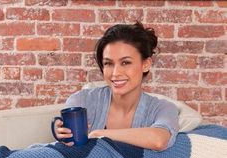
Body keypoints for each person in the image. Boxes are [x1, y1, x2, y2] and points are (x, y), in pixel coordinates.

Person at [54, 21, 179, 151]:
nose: (115, 73)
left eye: (125, 62)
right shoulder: (82, 102)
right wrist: (63, 136)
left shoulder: (163, 108)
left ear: (145, 64)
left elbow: (159, 140)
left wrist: (99, 134)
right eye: (108, 63)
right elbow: (68, 154)